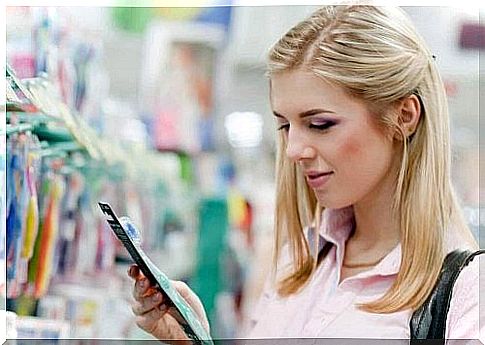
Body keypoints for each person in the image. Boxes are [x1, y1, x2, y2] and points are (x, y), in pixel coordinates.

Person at [127, 5, 482, 341]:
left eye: (320, 124)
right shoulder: (297, 263)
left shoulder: (467, 290)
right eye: (285, 126)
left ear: (404, 117)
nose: (294, 150)